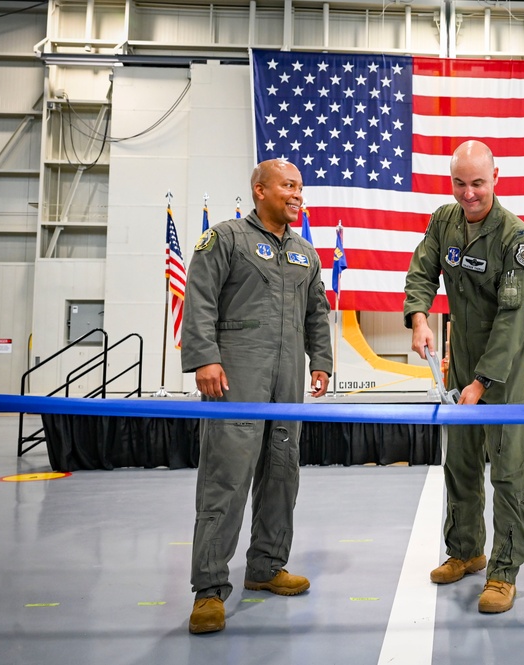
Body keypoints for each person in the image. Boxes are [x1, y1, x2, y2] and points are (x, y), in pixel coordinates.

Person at [181, 158, 333, 634]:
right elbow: (199, 296)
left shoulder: (305, 253)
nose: (297, 194)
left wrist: (322, 361)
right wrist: (205, 356)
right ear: (260, 190)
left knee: (282, 475)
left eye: (300, 187)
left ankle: (266, 566)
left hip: (286, 382)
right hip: (236, 380)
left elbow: (317, 312)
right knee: (226, 478)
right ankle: (209, 589)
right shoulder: (226, 238)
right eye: (288, 186)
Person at [403, 140, 524, 614]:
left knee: (508, 472)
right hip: (459, 358)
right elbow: (421, 271)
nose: (468, 193)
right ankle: (466, 551)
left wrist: (480, 385)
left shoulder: (516, 239)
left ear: (496, 177)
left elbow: (511, 322)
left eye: (477, 183)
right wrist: (419, 317)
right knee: (459, 462)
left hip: (506, 370)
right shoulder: (444, 221)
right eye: (459, 183)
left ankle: (504, 571)